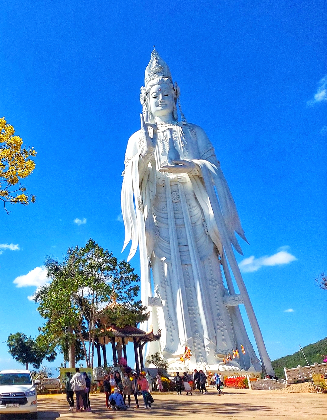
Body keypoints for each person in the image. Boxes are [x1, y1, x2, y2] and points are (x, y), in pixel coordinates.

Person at [120, 48, 268, 373]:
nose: (160, 99)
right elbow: (131, 182)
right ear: (145, 99)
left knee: (209, 275)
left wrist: (192, 166)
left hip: (197, 216)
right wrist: (143, 161)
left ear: (176, 94)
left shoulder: (195, 133)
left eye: (165, 93)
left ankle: (226, 354)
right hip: (162, 219)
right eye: (154, 95)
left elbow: (215, 167)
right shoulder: (138, 139)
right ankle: (173, 355)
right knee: (169, 283)